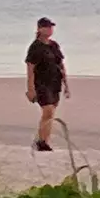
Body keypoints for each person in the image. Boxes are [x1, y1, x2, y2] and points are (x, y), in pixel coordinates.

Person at [28, 17, 68, 152]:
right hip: (41, 83)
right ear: (40, 29)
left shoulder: (54, 45)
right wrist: (30, 89)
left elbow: (61, 65)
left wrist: (66, 84)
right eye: (47, 27)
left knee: (50, 114)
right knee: (48, 111)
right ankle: (41, 141)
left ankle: (44, 140)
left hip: (55, 83)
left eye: (51, 27)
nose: (50, 29)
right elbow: (30, 68)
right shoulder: (35, 47)